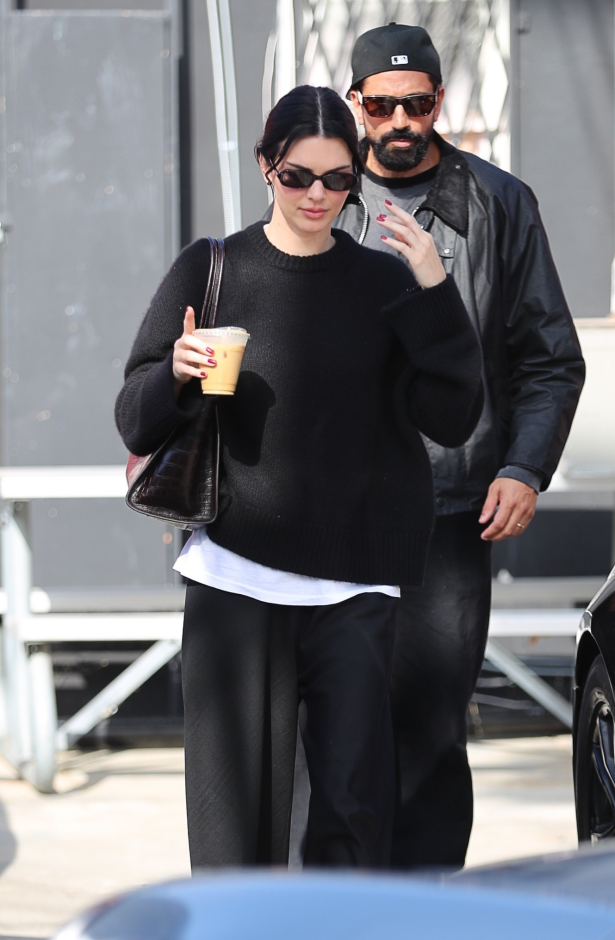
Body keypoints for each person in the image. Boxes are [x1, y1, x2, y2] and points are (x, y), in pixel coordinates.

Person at [115, 84, 483, 870]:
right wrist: (174, 372)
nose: (317, 195)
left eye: (337, 178)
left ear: (356, 176)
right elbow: (134, 420)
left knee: (352, 807)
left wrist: (432, 286)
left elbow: (453, 416)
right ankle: (236, 926)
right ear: (265, 167)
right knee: (233, 812)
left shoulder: (384, 282)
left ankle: (341, 926)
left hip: (354, 581)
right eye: (297, 176)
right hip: (234, 572)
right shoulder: (212, 268)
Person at [335, 23, 586, 868]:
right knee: (330, 720)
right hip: (331, 508)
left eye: (416, 103)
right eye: (381, 106)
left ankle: (425, 902)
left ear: (439, 100)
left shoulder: (497, 201)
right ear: (356, 104)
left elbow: (550, 357)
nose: (400, 121)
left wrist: (524, 467)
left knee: (430, 725)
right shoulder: (320, 189)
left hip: (448, 510)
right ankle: (335, 903)